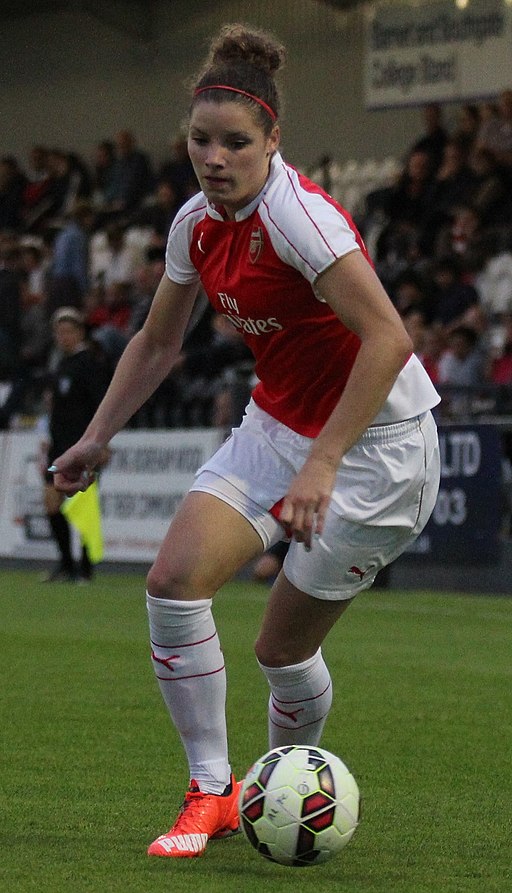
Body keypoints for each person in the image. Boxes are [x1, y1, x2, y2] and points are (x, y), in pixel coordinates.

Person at [49, 24, 441, 859]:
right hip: (277, 424)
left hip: (379, 448)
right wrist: (97, 435)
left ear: (273, 141)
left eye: (236, 142)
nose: (214, 158)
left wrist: (325, 463)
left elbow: (389, 340)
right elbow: (157, 342)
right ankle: (214, 792)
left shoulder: (301, 219)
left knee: (280, 648)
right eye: (201, 140)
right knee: (172, 579)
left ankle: (278, 782)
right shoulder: (196, 223)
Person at [42, 307, 110, 582]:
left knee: (83, 506)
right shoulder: (61, 365)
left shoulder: (89, 365)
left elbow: (102, 405)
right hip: (59, 446)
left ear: (80, 333)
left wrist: (102, 442)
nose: (63, 337)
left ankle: (85, 568)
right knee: (51, 502)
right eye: (59, 332)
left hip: (83, 446)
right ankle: (67, 564)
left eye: (68, 331)